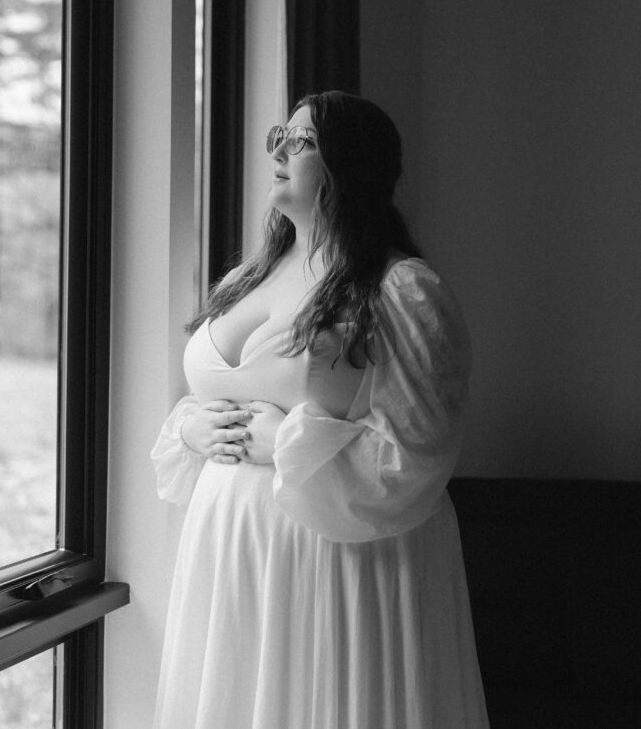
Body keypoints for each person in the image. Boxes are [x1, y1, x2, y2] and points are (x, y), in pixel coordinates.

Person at [150, 91, 489, 728]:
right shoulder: (246, 279)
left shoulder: (402, 291)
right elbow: (216, 391)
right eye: (281, 134)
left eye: (302, 141)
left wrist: (286, 443)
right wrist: (191, 425)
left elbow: (418, 458)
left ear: (349, 167)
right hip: (231, 554)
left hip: (337, 564)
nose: (278, 150)